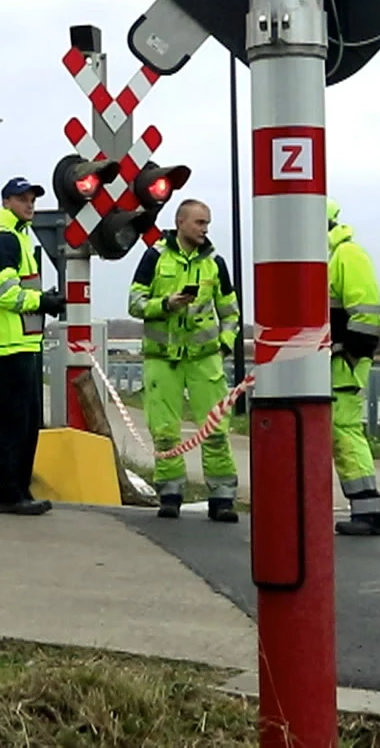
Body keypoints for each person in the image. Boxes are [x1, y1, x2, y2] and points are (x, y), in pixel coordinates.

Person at [128, 200, 240, 521]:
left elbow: (230, 313)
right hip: (163, 360)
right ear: (180, 222)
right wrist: (166, 304)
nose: (205, 229)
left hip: (204, 360)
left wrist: (225, 346)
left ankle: (222, 497)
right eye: (199, 222)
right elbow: (134, 303)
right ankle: (170, 493)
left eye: (207, 223)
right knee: (164, 430)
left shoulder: (215, 264)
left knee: (215, 429)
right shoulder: (154, 257)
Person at [0, 177, 67, 515]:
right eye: (23, 199)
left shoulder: (16, 239)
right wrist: (43, 301)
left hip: (19, 344)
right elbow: (6, 294)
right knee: (15, 422)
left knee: (25, 422)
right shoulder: (2, 241)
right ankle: (8, 493)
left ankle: (17, 490)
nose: (30, 205)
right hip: (7, 345)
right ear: (6, 201)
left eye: (32, 200)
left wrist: (43, 301)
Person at [328, 199, 380, 536]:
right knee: (338, 434)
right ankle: (364, 508)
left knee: (345, 433)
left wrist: (350, 355)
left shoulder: (347, 255)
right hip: (334, 362)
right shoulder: (331, 257)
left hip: (343, 364)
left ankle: (369, 510)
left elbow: (365, 312)